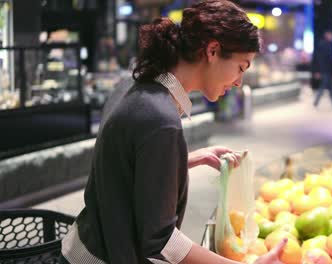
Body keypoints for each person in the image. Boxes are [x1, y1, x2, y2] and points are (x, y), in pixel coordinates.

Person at [60, 1, 287, 263]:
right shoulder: (160, 118)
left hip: (84, 245)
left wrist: (186, 159)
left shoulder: (137, 85)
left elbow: (124, 167)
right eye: (241, 67)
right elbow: (160, 241)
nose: (239, 82)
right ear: (212, 50)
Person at [313, 31, 332, 109]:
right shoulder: (325, 46)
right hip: (325, 71)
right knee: (324, 86)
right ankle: (316, 102)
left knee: (330, 88)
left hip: (328, 71)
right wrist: (317, 71)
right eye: (330, 35)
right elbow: (319, 60)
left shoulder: (328, 45)